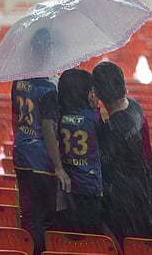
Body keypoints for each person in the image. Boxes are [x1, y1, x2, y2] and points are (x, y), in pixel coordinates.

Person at [92, 61, 152, 247]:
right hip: (147, 191)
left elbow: (104, 166)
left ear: (99, 94)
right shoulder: (135, 108)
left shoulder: (110, 130)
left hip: (124, 201)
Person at [11, 27, 71, 255]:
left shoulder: (18, 81)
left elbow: (16, 117)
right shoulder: (48, 89)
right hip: (41, 159)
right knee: (44, 215)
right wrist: (58, 166)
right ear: (47, 50)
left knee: (27, 212)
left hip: (21, 153)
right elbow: (48, 128)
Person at [56, 68, 103, 234]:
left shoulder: (58, 117)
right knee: (90, 234)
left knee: (71, 234)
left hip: (67, 186)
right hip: (90, 185)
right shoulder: (94, 117)